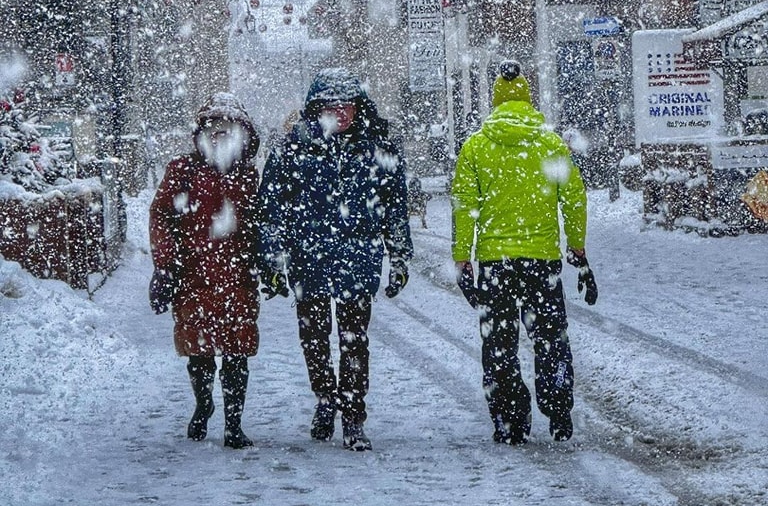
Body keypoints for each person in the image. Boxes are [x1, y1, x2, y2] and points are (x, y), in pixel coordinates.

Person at [259, 67, 413, 451]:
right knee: (313, 338)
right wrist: (271, 259)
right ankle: (326, 398)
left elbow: (395, 207)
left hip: (358, 256)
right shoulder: (292, 148)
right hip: (308, 257)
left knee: (354, 339)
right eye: (330, 105)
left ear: (359, 107)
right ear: (315, 108)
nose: (339, 112)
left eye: (346, 105)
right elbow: (271, 207)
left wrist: (398, 256)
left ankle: (354, 413)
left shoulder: (379, 148)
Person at [451, 60, 598, 445]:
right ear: (528, 100)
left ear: (495, 101)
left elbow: (465, 205)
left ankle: (509, 417)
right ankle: (558, 407)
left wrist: (462, 256)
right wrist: (577, 247)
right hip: (542, 261)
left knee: (499, 343)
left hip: (496, 263)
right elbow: (574, 198)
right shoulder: (550, 143)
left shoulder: (477, 146)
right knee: (550, 338)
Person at [149, 93, 281, 449]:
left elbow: (262, 224)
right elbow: (161, 216)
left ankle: (234, 423)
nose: (222, 138)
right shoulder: (183, 171)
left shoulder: (248, 178)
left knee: (238, 353)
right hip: (193, 276)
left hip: (238, 278)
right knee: (199, 352)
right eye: (215, 131)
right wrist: (165, 265)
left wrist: (268, 263)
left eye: (230, 131)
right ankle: (203, 404)